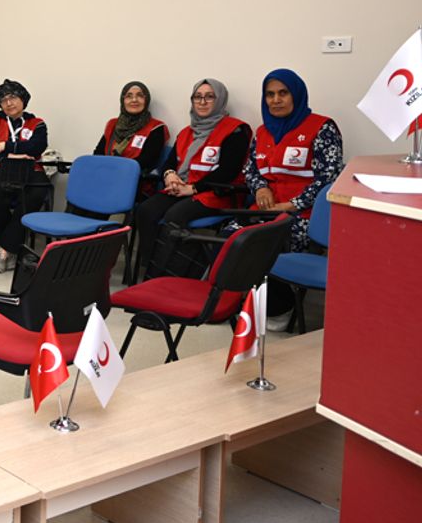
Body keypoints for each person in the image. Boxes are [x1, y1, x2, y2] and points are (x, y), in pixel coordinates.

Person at [242, 69, 344, 329]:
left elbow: (328, 178)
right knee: (233, 234)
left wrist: (293, 205)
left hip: (303, 214)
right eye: (270, 94)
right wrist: (260, 189)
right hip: (265, 209)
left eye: (283, 93)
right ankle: (240, 302)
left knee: (272, 239)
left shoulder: (322, 128)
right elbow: (250, 169)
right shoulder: (262, 132)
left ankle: (280, 308)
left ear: (296, 95)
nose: (276, 100)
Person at [135, 78, 252, 278]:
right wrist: (170, 175)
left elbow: (228, 171)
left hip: (215, 192)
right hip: (182, 189)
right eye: (197, 97)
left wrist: (193, 188)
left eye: (209, 97)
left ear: (220, 100)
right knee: (146, 210)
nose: (202, 102)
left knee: (175, 215)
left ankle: (163, 276)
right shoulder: (186, 132)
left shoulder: (236, 130)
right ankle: (149, 266)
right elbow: (169, 163)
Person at [0, 79, 49, 272]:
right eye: (4, 100)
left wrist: (4, 146)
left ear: (23, 99)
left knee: (37, 192)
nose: (9, 103)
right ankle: (15, 247)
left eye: (13, 97)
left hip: (30, 171)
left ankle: (4, 245)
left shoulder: (37, 124)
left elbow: (37, 146)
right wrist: (12, 154)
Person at [93, 81, 168, 200]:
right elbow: (98, 153)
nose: (134, 100)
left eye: (140, 95)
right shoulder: (113, 124)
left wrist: (115, 171)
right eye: (129, 96)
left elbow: (147, 160)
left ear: (146, 100)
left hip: (134, 182)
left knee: (96, 198)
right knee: (82, 193)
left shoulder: (156, 127)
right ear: (123, 100)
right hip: (106, 177)